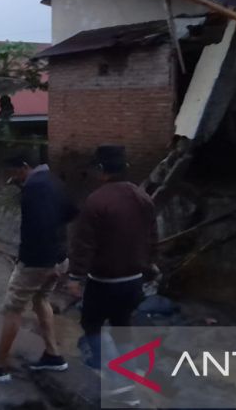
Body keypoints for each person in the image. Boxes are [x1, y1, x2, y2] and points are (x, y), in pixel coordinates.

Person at [0, 156, 78, 381]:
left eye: (16, 173)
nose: (15, 178)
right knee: (40, 299)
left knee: (13, 309)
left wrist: (32, 261)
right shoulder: (55, 181)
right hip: (59, 256)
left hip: (37, 261)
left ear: (26, 166)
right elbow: (72, 213)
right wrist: (56, 259)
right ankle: (53, 355)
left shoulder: (33, 187)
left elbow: (36, 229)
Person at [67, 145, 158, 369]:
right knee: (122, 322)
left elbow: (84, 244)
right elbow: (152, 238)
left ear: (100, 169)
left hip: (104, 281)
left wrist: (75, 277)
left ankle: (99, 362)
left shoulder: (96, 201)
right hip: (134, 279)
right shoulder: (143, 197)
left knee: (91, 322)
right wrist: (150, 266)